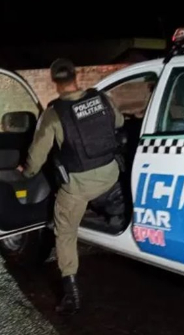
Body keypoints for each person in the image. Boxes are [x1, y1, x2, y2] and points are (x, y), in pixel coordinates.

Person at [19, 58, 124, 315]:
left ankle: (72, 294)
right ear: (76, 76)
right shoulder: (102, 98)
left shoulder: (54, 113)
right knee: (104, 189)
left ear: (54, 81)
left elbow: (37, 155)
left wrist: (26, 172)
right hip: (111, 175)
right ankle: (113, 210)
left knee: (65, 232)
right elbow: (119, 122)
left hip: (79, 185)